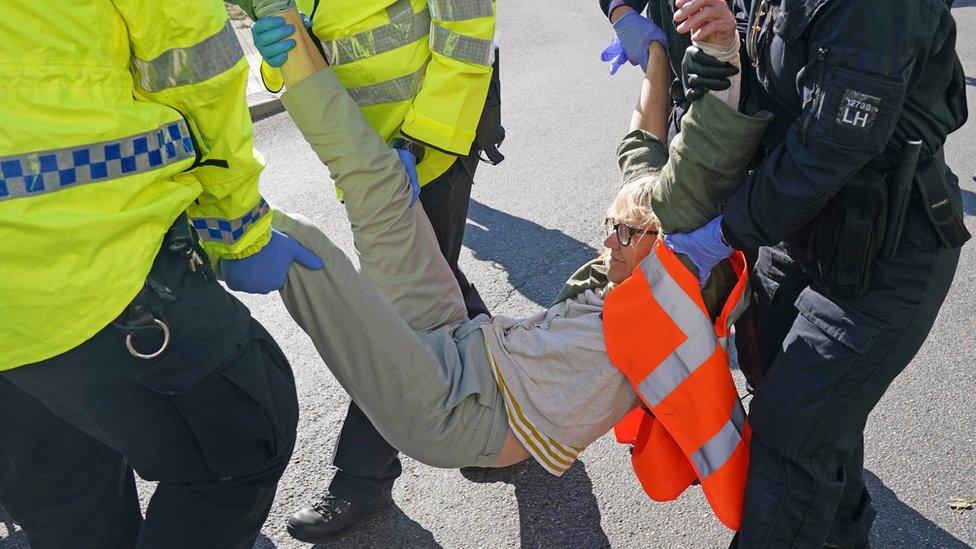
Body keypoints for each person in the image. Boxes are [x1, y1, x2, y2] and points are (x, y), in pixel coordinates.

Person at [237, 0, 760, 529]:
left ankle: (211, 234)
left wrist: (721, 49)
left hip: (457, 416)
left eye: (626, 234)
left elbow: (704, 162)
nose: (608, 240)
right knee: (377, 180)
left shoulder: (673, 303)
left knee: (304, 252)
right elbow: (643, 141)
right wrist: (652, 52)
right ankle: (279, 22)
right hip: (465, 342)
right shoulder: (630, 259)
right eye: (611, 225)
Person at [0, 1, 313, 547]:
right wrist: (239, 231)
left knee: (65, 495)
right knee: (242, 445)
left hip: (24, 317)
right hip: (94, 269)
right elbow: (197, 69)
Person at [667, 0, 970, 546]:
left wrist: (721, 234)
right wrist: (726, 63)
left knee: (793, 433)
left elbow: (830, 145)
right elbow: (790, 76)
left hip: (887, 247)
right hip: (798, 228)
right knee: (805, 415)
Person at [239, 0, 501, 537]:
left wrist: (421, 142)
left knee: (394, 313)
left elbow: (467, 33)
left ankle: (362, 480)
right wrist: (275, 56)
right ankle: (508, 401)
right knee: (438, 285)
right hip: (364, 156)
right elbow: (313, 40)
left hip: (427, 150)